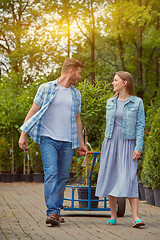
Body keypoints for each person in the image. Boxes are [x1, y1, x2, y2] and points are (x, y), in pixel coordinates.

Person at [19, 58, 88, 226]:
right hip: (48, 139)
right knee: (51, 174)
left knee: (63, 177)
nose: (79, 77)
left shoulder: (75, 94)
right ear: (71, 71)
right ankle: (52, 213)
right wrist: (23, 134)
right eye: (78, 73)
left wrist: (81, 143)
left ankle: (56, 209)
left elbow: (77, 119)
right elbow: (33, 110)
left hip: (67, 142)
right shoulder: (46, 88)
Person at [95, 71, 145, 228]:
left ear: (125, 82)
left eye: (115, 80)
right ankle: (113, 216)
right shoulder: (110, 102)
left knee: (130, 177)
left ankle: (136, 217)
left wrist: (138, 147)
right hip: (110, 143)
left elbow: (140, 126)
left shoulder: (137, 102)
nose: (112, 83)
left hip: (128, 143)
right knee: (111, 176)